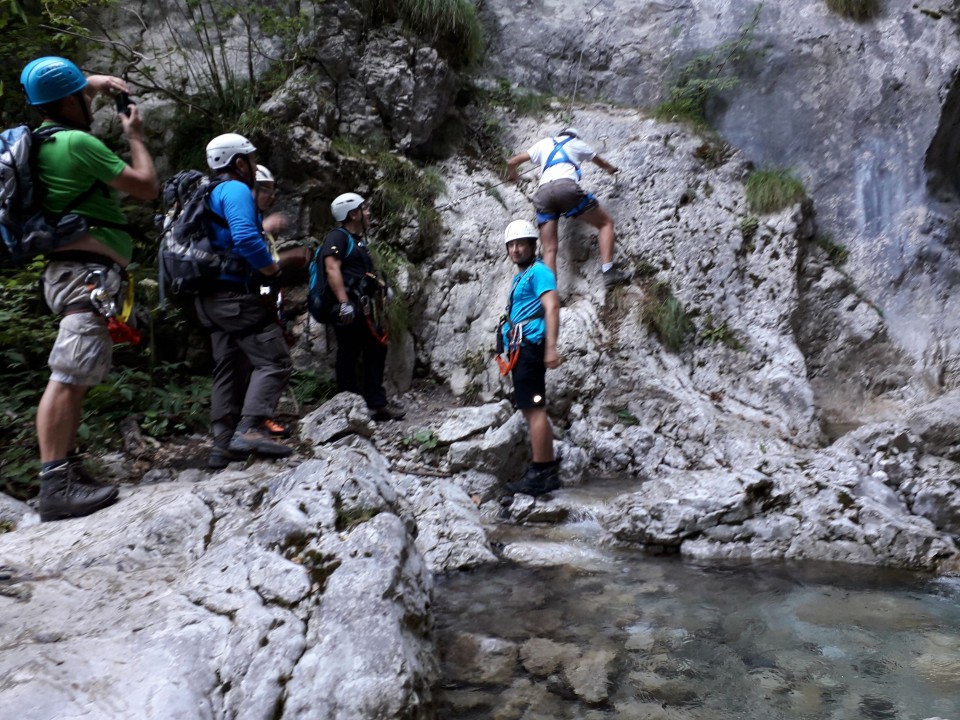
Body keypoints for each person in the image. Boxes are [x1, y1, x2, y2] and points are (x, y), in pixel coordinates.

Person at [20, 56, 159, 521]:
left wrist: (94, 82)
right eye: (84, 95)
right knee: (68, 375)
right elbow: (145, 187)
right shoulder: (77, 142)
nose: (91, 103)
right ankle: (55, 485)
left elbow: (63, 92)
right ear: (67, 101)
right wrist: (135, 138)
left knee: (76, 378)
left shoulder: (45, 140)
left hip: (74, 271)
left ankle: (67, 472)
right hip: (85, 275)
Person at [196, 134, 294, 468]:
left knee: (229, 365)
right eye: (251, 159)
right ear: (239, 163)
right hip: (233, 294)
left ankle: (221, 445)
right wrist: (271, 269)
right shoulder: (235, 188)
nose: (254, 166)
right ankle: (249, 428)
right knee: (275, 360)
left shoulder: (208, 193)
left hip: (207, 299)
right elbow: (245, 237)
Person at [506, 127, 627, 287]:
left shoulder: (544, 143)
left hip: (543, 195)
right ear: (576, 136)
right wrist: (612, 170)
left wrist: (513, 175)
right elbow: (601, 162)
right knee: (606, 224)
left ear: (560, 134)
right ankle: (609, 271)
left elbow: (512, 161)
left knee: (549, 248)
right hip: (566, 189)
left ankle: (550, 294)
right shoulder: (577, 143)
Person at [320, 192, 404, 421]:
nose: (368, 213)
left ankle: (375, 404)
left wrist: (382, 287)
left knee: (375, 350)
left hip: (362, 309)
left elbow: (362, 273)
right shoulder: (337, 238)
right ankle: (349, 408)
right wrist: (344, 303)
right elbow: (332, 269)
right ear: (353, 214)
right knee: (348, 354)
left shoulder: (357, 242)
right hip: (348, 310)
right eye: (364, 209)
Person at [497, 219, 561, 497]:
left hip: (532, 347)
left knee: (534, 410)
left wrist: (551, 348)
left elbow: (553, 307)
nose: (515, 249)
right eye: (511, 245)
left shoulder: (540, 272)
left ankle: (540, 473)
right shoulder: (521, 276)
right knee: (532, 409)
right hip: (520, 348)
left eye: (520, 244)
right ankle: (546, 469)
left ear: (533, 245)